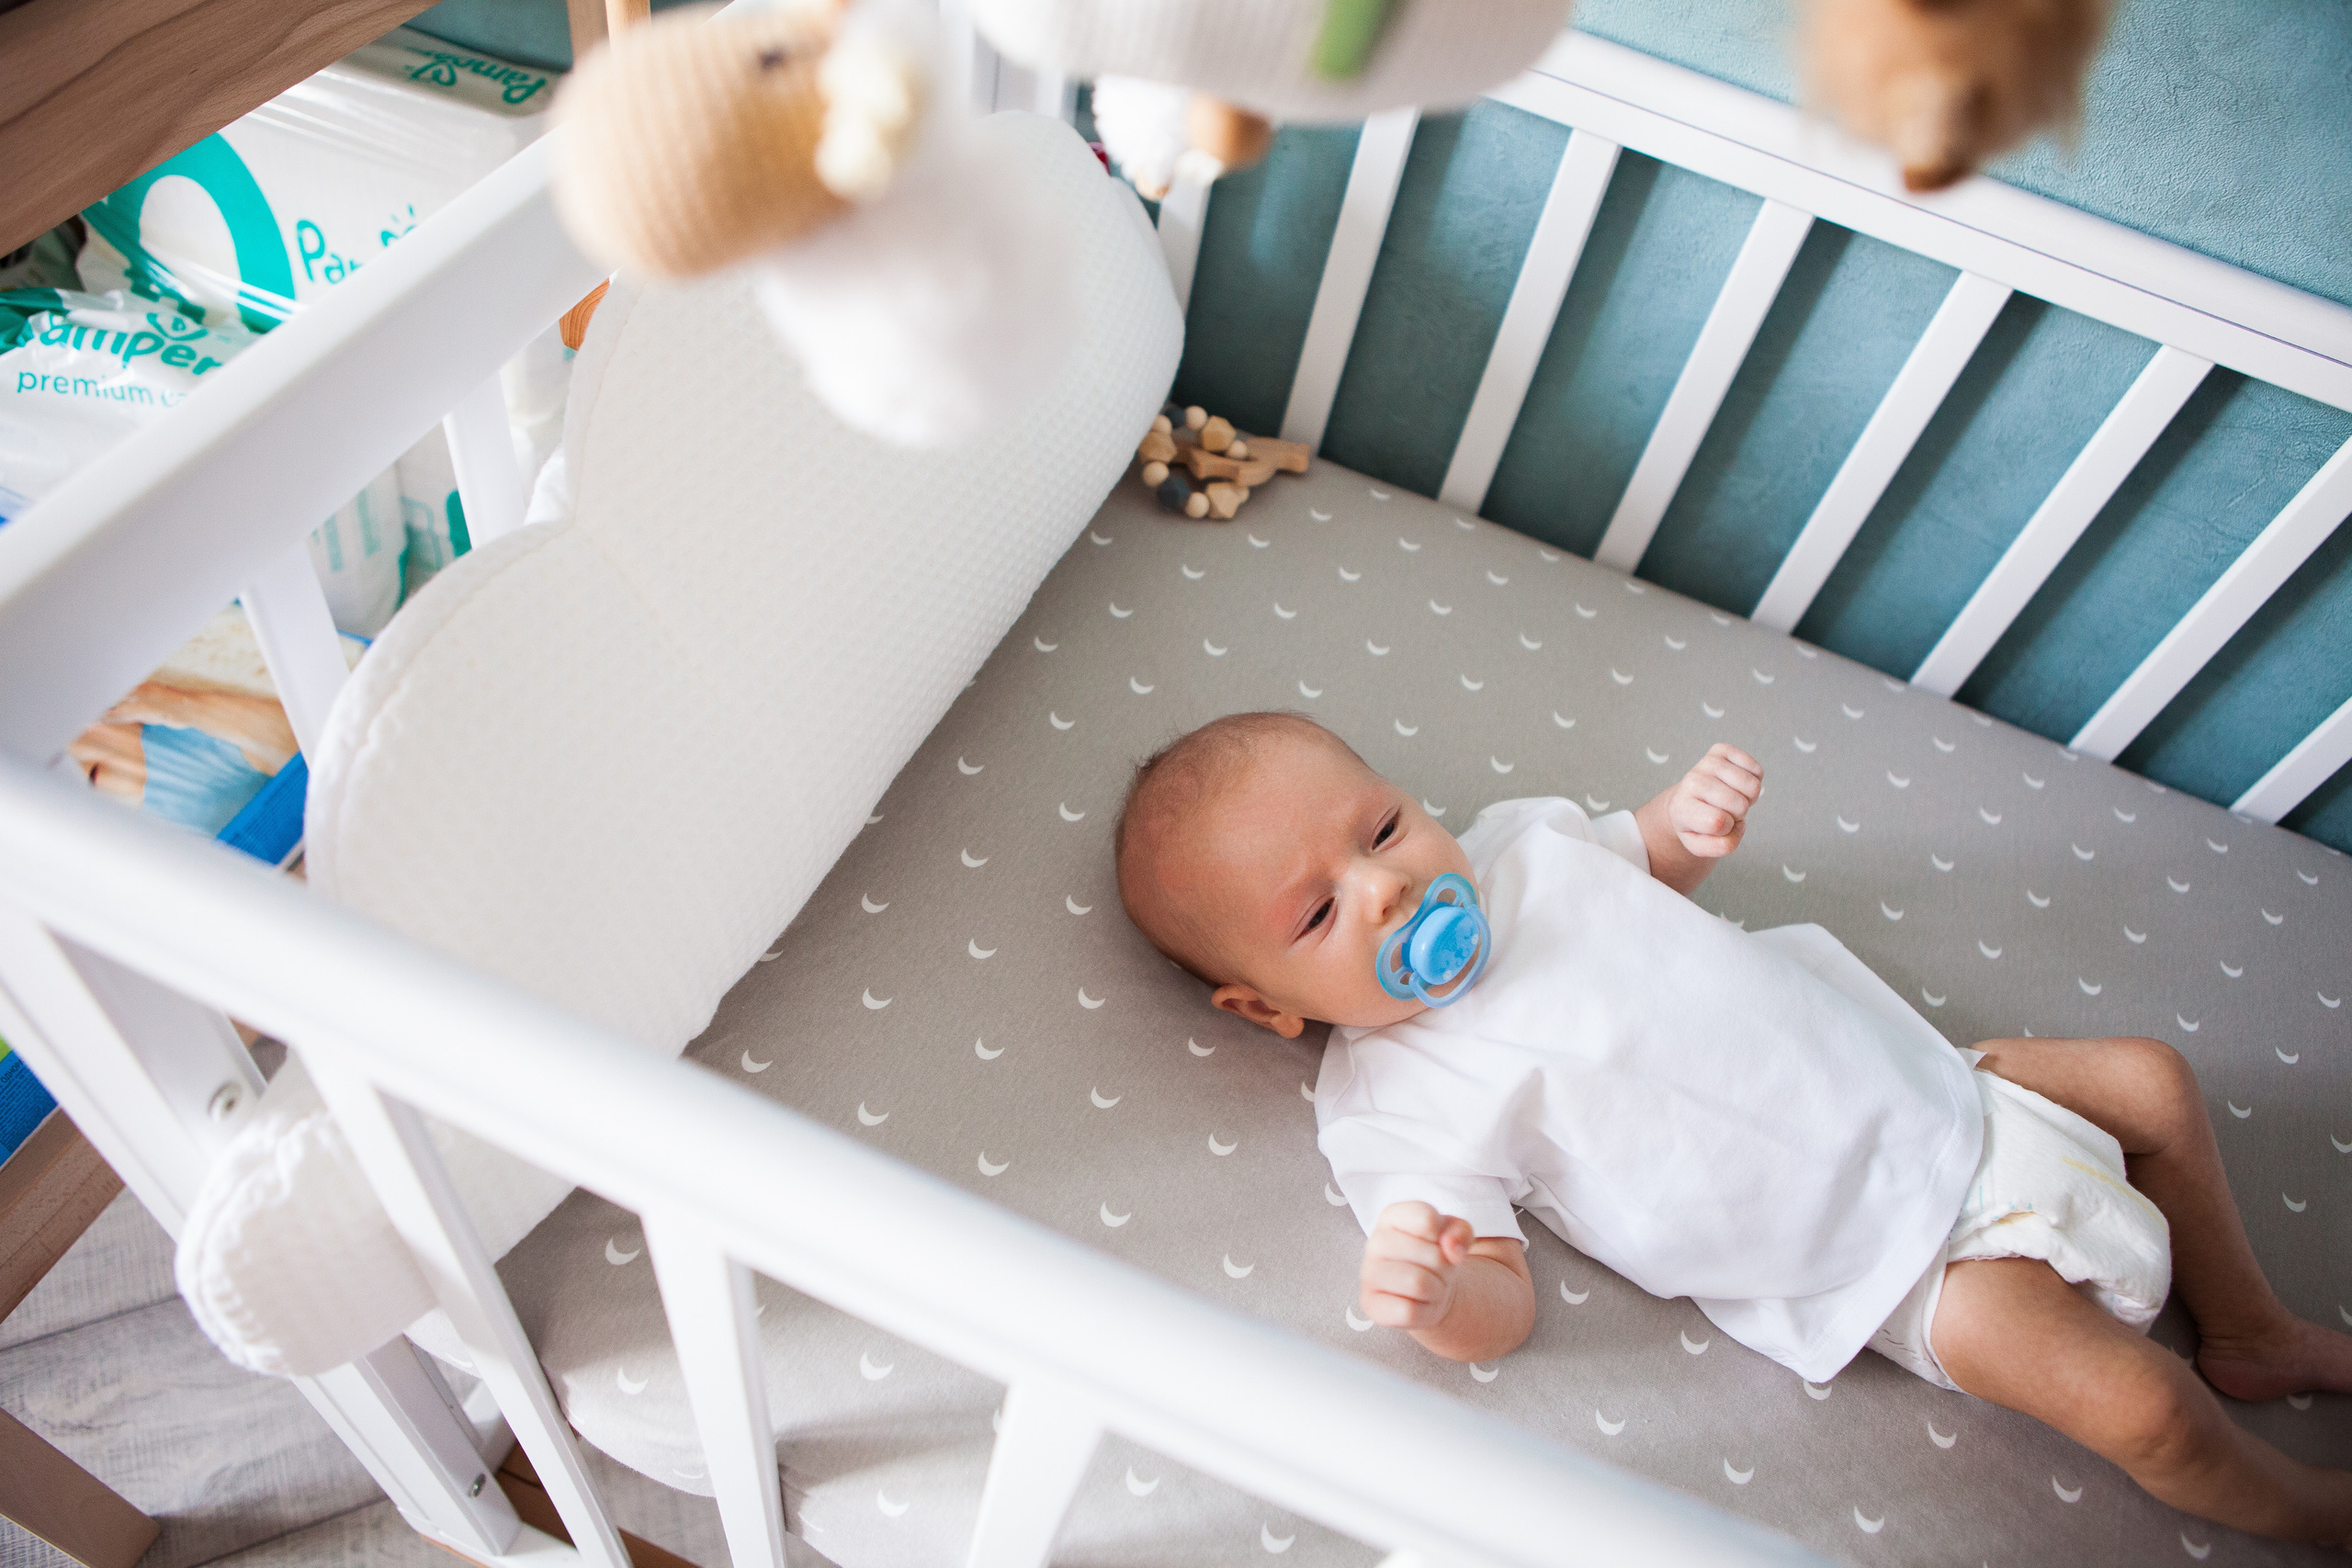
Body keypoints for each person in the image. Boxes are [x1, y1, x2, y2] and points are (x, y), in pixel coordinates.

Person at [1114, 711, 2352, 1546]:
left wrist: (1685, 827)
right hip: (1896, 1257)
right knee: (2145, 1414)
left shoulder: (1520, 848)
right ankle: (2306, 1512)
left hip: (1943, 1083)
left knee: (2154, 1083)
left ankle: (2253, 1331)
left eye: (1381, 828)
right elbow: (1502, 1296)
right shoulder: (1394, 1107)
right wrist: (1439, 1300)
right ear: (1264, 1007)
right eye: (1320, 914)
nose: (1388, 885)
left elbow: (1639, 863)